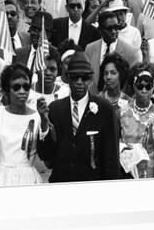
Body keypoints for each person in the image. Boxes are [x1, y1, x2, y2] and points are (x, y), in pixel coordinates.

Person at [37, 52, 120, 182]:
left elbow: (111, 158)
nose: (79, 82)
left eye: (84, 77)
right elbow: (46, 155)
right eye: (75, 77)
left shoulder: (104, 109)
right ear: (68, 78)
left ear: (90, 80)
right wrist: (43, 123)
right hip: (61, 183)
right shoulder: (55, 109)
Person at [0, 64, 44, 186]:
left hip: (28, 178)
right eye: (16, 87)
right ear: (7, 90)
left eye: (26, 87)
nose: (22, 91)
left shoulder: (37, 116)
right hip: (0, 177)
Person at [119, 64, 154, 178]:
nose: (144, 90)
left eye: (148, 86)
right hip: (124, 175)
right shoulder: (121, 113)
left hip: (149, 176)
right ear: (133, 85)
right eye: (140, 85)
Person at [85, 11, 142, 94]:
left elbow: (130, 84)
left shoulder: (131, 52)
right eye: (109, 28)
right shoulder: (90, 49)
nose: (114, 31)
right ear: (100, 30)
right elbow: (87, 78)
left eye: (116, 27)